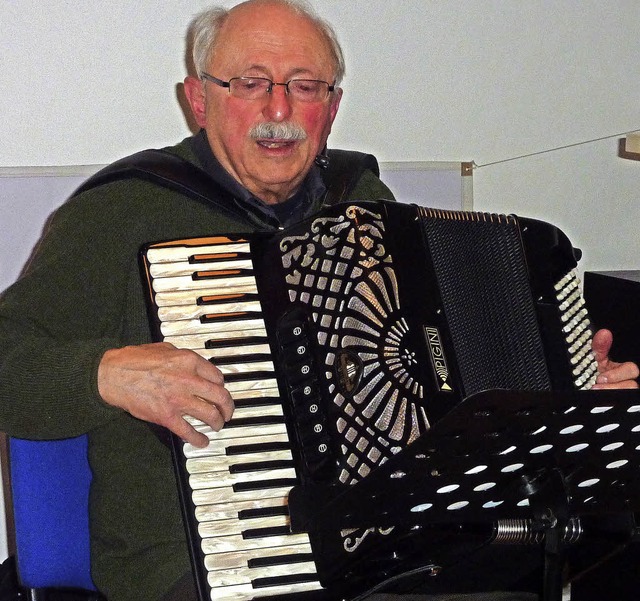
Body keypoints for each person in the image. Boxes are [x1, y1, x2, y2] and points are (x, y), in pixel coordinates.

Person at [0, 1, 637, 601]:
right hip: (197, 566)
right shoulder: (120, 213)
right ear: (198, 99)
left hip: (400, 559)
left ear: (332, 108)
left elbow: (439, 397)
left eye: (305, 86)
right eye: (249, 83)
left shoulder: (369, 208)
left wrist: (566, 394)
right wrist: (104, 373)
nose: (278, 107)